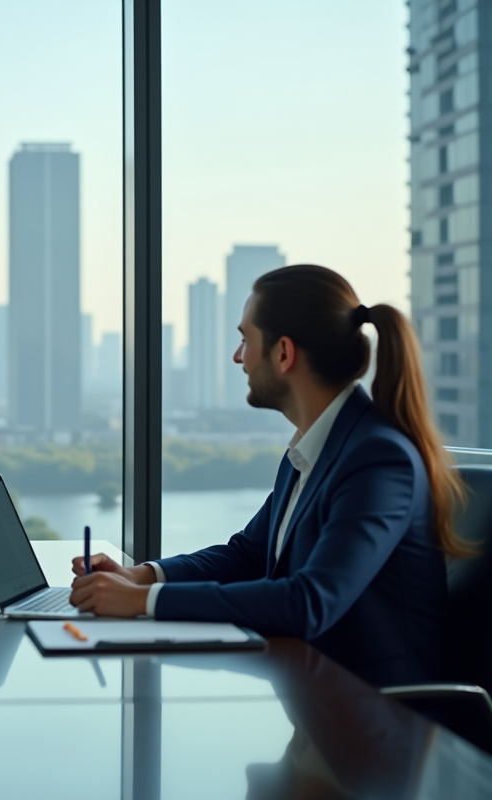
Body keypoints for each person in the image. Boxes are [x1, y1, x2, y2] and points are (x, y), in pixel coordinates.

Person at [70, 264, 470, 687]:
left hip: (378, 712)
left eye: (246, 340)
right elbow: (246, 555)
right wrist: (143, 576)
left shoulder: (378, 459)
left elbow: (309, 601)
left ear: (283, 353)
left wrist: (143, 601)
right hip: (313, 693)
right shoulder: (312, 448)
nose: (238, 357)